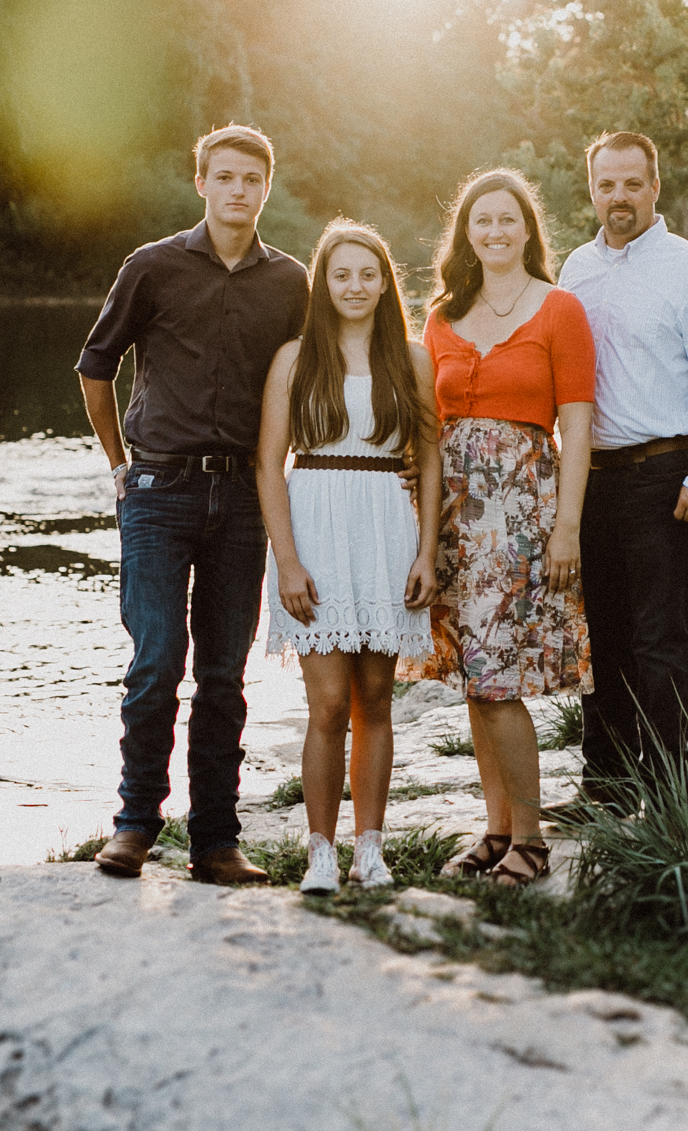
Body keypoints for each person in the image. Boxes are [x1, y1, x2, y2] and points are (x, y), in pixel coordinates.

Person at [75, 125, 309, 885]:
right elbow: (95, 367)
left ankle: (215, 840)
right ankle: (136, 824)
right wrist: (119, 464)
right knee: (155, 661)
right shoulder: (153, 266)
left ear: (266, 188)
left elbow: (304, 384)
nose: (239, 190)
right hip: (158, 489)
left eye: (253, 179)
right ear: (201, 182)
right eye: (226, 177)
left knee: (222, 675)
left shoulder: (290, 282)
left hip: (243, 495)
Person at [405, 168, 595, 888]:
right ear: (466, 234)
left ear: (527, 228)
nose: (494, 231)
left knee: (499, 677)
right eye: (480, 221)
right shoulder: (443, 314)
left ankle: (532, 840)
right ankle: (497, 827)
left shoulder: (560, 309)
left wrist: (566, 527)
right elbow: (430, 426)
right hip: (456, 515)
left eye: (507, 219)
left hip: (523, 511)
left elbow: (576, 426)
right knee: (475, 676)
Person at [560, 131, 688, 812]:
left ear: (654, 186)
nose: (618, 197)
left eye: (631, 183)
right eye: (606, 184)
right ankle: (606, 787)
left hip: (662, 475)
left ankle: (668, 792)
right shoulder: (575, 269)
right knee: (601, 639)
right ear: (592, 188)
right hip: (591, 477)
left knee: (658, 640)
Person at [254, 220, 440, 895]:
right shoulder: (295, 358)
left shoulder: (412, 360)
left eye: (369, 274)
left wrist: (427, 551)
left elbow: (431, 459)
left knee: (377, 696)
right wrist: (288, 560)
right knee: (329, 702)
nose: (356, 286)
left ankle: (371, 848)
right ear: (323, 283)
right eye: (342, 274)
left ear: (385, 281)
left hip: (386, 528)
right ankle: (321, 851)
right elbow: (270, 466)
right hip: (316, 529)